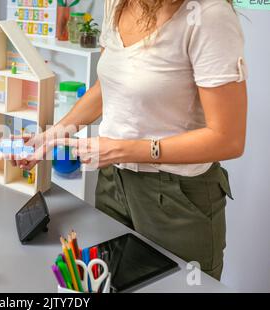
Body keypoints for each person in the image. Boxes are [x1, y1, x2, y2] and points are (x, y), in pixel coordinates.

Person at [13, 0, 248, 280]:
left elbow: (228, 139)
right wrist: (52, 135)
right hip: (113, 182)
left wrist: (124, 150)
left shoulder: (209, 16)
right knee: (108, 281)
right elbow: (106, 87)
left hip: (178, 197)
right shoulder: (116, 3)